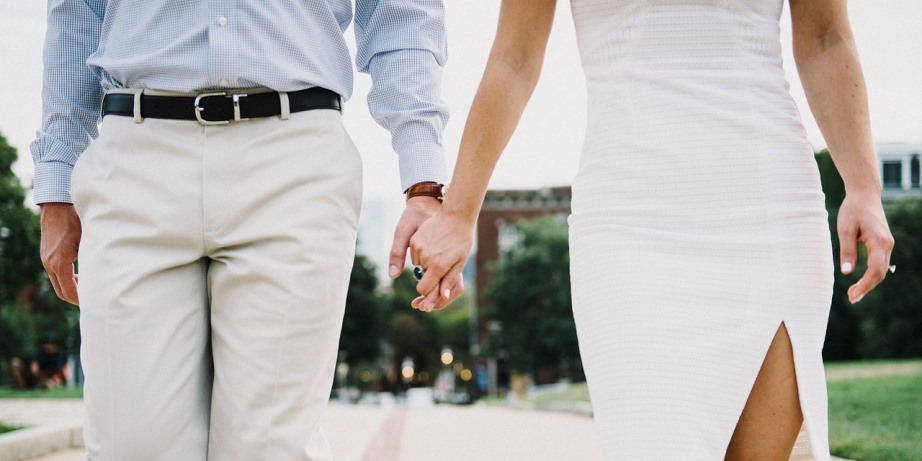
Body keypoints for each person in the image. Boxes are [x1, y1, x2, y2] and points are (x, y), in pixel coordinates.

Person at [409, 0, 894, 459]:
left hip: (770, 208)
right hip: (628, 223)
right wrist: (460, 211)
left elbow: (827, 38)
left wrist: (864, 187)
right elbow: (513, 59)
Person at [32, 1, 448, 459]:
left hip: (295, 157)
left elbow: (401, 12)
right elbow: (75, 12)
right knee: (129, 445)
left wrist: (423, 179)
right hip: (135, 151)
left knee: (269, 447)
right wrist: (57, 181)